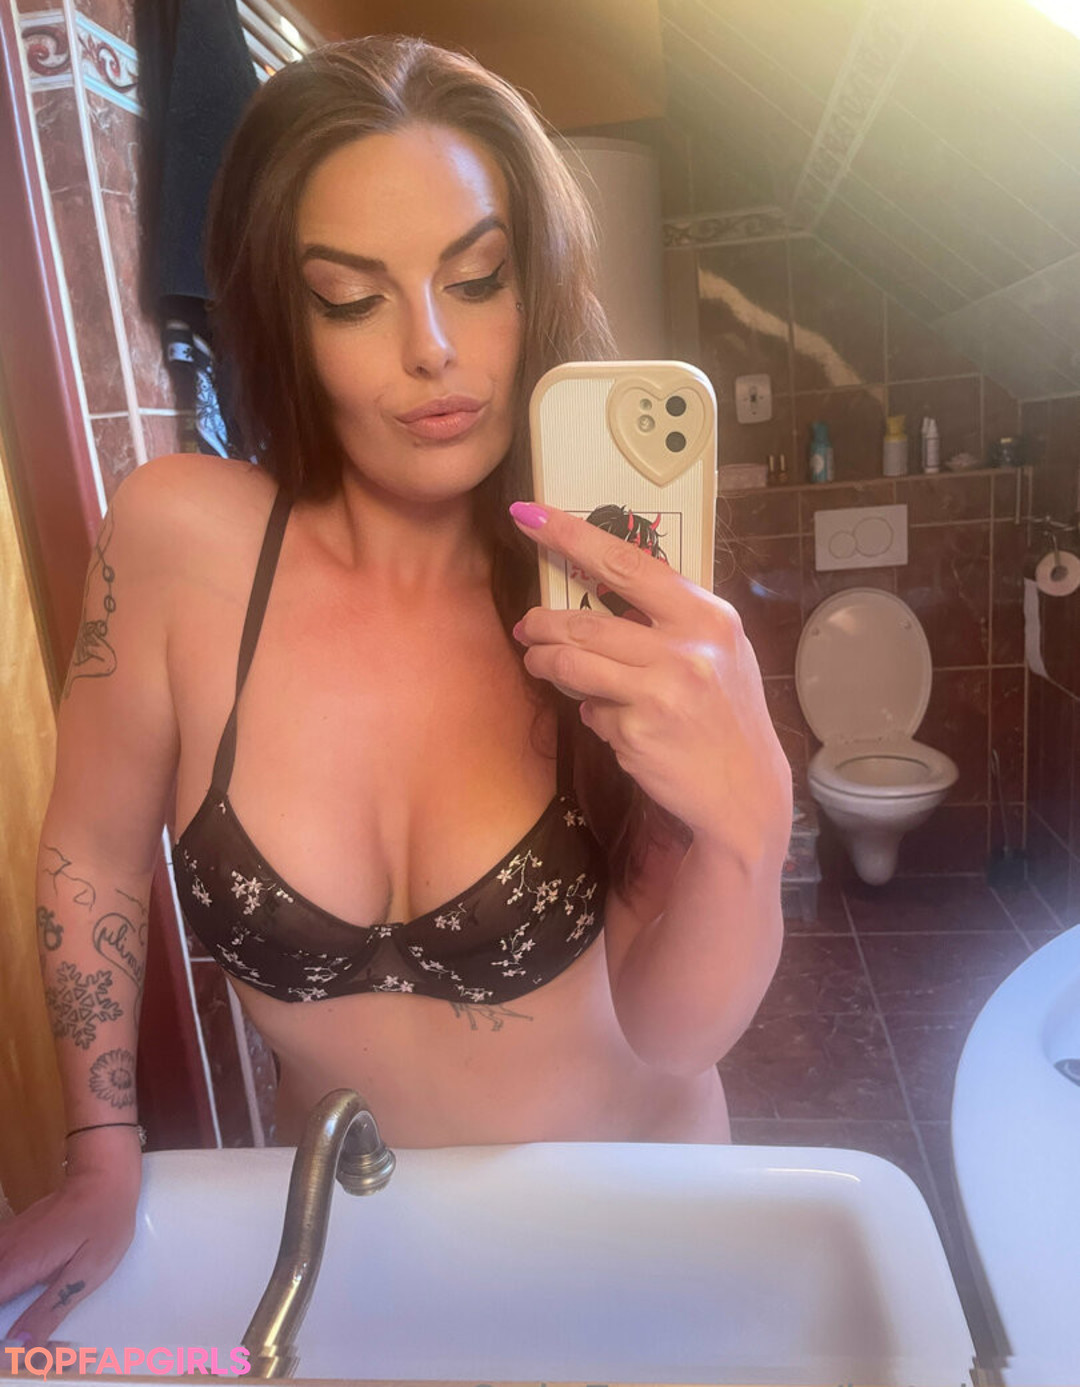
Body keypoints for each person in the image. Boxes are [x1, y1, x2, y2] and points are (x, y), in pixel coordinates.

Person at [0, 34, 792, 1346]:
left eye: (476, 280)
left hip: (633, 1226)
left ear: (536, 284)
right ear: (283, 315)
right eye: (352, 299)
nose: (433, 348)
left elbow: (673, 1028)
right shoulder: (180, 542)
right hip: (362, 1245)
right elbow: (89, 848)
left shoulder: (606, 585)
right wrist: (100, 1144)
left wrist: (751, 826)